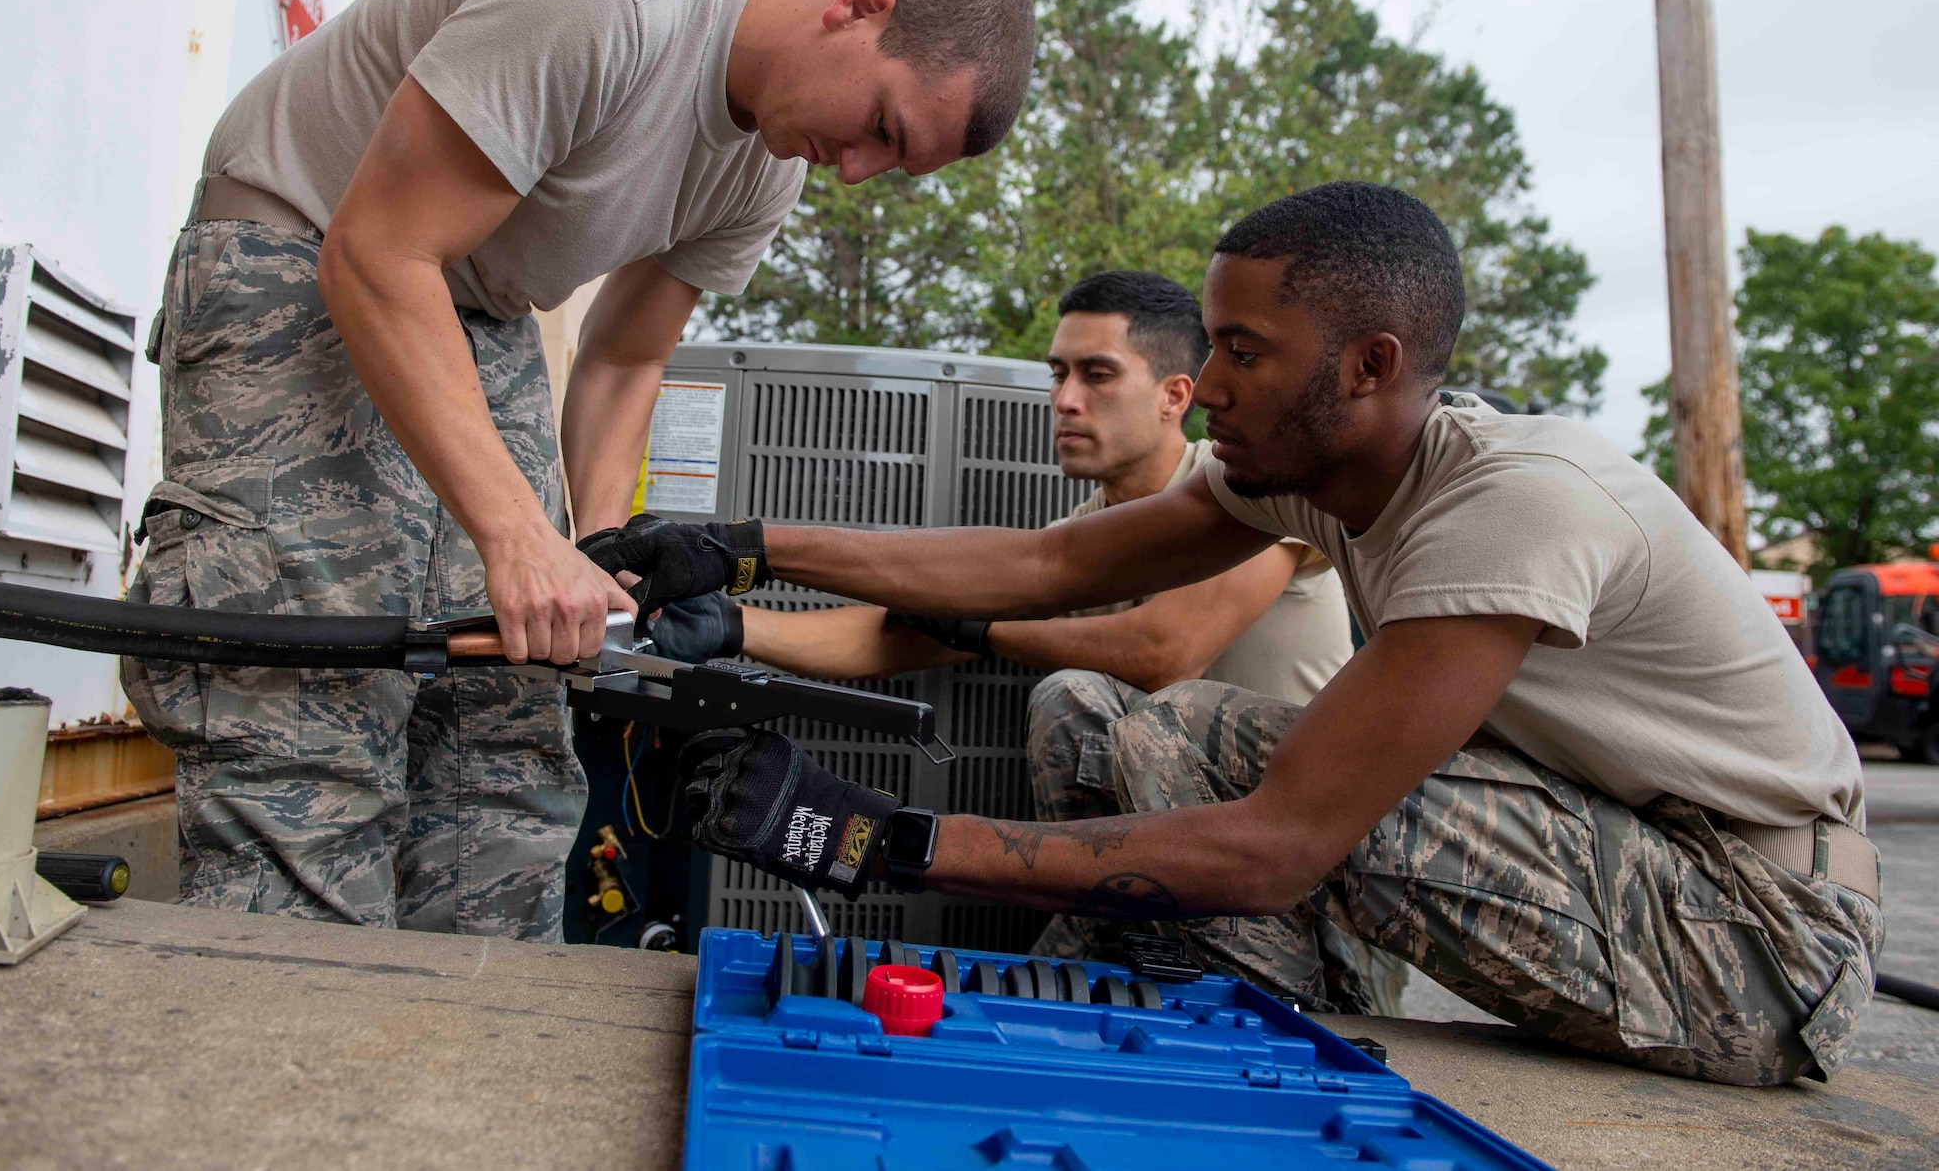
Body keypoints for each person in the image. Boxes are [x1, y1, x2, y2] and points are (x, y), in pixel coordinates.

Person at [588, 182, 1883, 1086]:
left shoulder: (1513, 506)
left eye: (1242, 352)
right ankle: (1206, 1021)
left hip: (1756, 938)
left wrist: (876, 838)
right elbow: (1048, 562)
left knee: (1304, 784)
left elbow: (1281, 844)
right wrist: (750, 545)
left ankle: (1255, 1016)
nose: (1203, 386)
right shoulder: (1303, 471)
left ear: (1370, 366)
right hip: (1627, 859)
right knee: (1166, 729)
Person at [120, 0, 1035, 940]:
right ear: (858, 9)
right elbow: (376, 253)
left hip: (479, 309)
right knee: (309, 724)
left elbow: (624, 356)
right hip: (305, 249)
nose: (859, 169)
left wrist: (596, 561)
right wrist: (517, 534)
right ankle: (275, 1066)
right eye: (880, 127)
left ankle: (468, 1063)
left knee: (509, 722)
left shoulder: (766, 164)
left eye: (894, 166)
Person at [655, 269, 1395, 1010]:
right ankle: (1106, 957)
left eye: (1097, 374)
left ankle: (1245, 989)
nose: (1066, 399)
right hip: (1174, 869)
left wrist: (983, 620)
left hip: (1311, 877)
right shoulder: (1080, 536)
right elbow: (906, 636)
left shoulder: (1254, 493)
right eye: (1059, 373)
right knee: (1076, 698)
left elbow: (1167, 650)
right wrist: (736, 625)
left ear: (1177, 394)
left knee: (1073, 694)